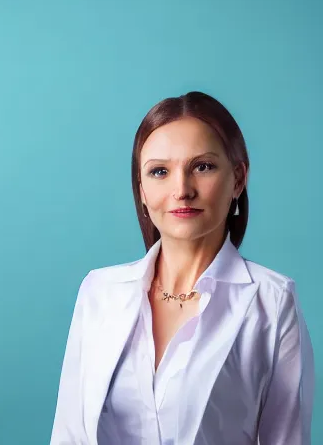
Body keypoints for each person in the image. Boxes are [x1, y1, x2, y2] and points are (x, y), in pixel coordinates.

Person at [49, 91, 315, 445]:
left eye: (202, 166)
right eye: (159, 171)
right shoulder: (99, 292)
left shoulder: (272, 303)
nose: (181, 189)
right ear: (141, 190)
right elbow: (70, 435)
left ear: (238, 179)